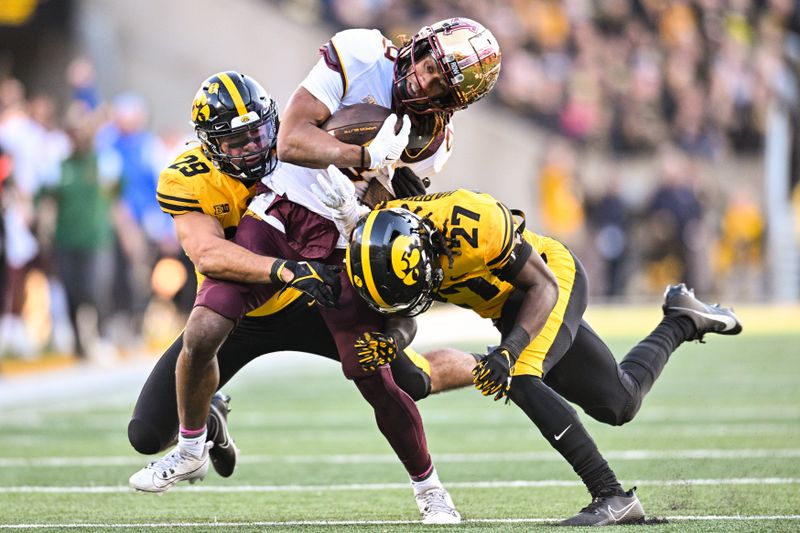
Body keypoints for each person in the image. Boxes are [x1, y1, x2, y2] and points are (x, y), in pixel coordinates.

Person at [126, 65, 462, 523]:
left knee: (407, 380)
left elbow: (375, 184)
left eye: (260, 132)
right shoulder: (186, 177)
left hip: (313, 295)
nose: (253, 147)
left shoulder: (298, 146)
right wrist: (284, 269)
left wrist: (383, 179)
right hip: (246, 305)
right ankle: (204, 429)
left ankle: (489, 368)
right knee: (148, 432)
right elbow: (207, 253)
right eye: (236, 141)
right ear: (209, 145)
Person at [340, 186, 742, 526]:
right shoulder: (379, 249)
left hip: (549, 280)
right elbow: (403, 313)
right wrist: (392, 341)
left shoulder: (476, 223)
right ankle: (683, 319)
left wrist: (510, 351)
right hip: (508, 309)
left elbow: (543, 287)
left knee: (522, 377)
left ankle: (612, 496)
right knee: (620, 402)